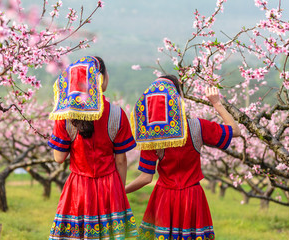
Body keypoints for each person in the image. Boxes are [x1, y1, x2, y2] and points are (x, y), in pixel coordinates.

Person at [126, 75, 241, 240]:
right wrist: (216, 103)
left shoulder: (151, 137)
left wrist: (122, 191)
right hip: (192, 197)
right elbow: (235, 131)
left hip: (164, 198)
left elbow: (145, 178)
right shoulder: (197, 126)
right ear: (178, 99)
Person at [47, 56, 137, 239]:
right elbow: (121, 160)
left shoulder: (65, 116)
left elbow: (59, 158)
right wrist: (119, 190)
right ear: (101, 78)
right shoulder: (117, 114)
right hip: (110, 185)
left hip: (79, 187)